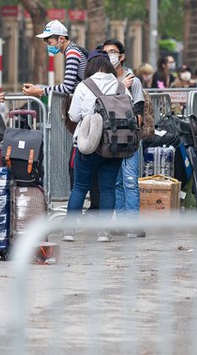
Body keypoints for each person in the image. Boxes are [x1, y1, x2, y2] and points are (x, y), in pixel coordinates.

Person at [64, 51, 129, 243]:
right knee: (108, 189)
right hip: (114, 144)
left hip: (89, 143)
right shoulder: (120, 86)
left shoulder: (84, 86)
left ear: (90, 67)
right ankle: (104, 232)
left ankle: (69, 231)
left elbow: (74, 116)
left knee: (80, 187)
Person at [103, 39, 145, 238]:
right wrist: (119, 87)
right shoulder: (104, 80)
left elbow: (138, 113)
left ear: (122, 56)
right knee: (117, 182)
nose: (110, 56)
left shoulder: (133, 81)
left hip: (129, 137)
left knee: (129, 180)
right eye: (106, 52)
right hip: (111, 138)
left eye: (113, 52)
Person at [23, 20, 87, 98]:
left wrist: (40, 91)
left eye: (49, 43)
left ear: (61, 39)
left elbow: (67, 88)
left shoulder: (72, 53)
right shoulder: (74, 50)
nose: (48, 46)